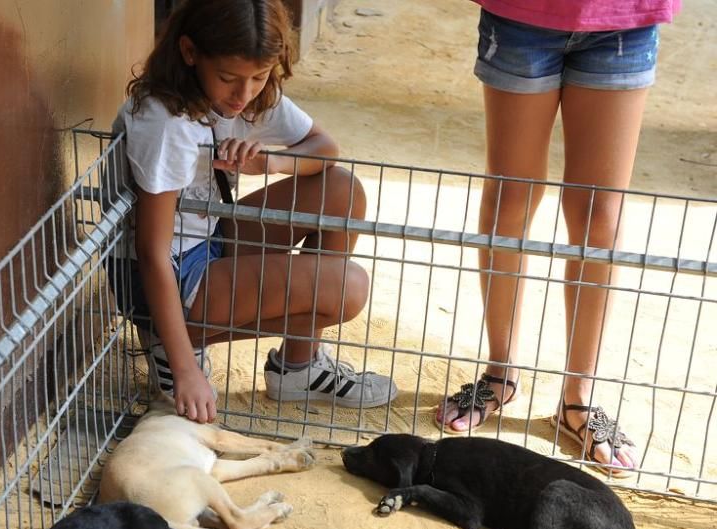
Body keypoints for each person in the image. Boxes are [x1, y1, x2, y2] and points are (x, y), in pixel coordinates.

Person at [110, 0, 397, 424]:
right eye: (228, 78)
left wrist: (270, 162)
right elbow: (153, 251)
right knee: (347, 287)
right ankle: (171, 343)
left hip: (208, 238)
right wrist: (186, 369)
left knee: (341, 190)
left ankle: (300, 369)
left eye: (259, 77)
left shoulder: (251, 94)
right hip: (163, 277)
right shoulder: (167, 124)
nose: (243, 95)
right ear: (190, 53)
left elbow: (325, 147)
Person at [435, 0, 682, 477]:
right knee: (511, 200)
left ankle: (578, 399)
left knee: (599, 215)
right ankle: (500, 372)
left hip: (624, 17)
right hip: (523, 14)